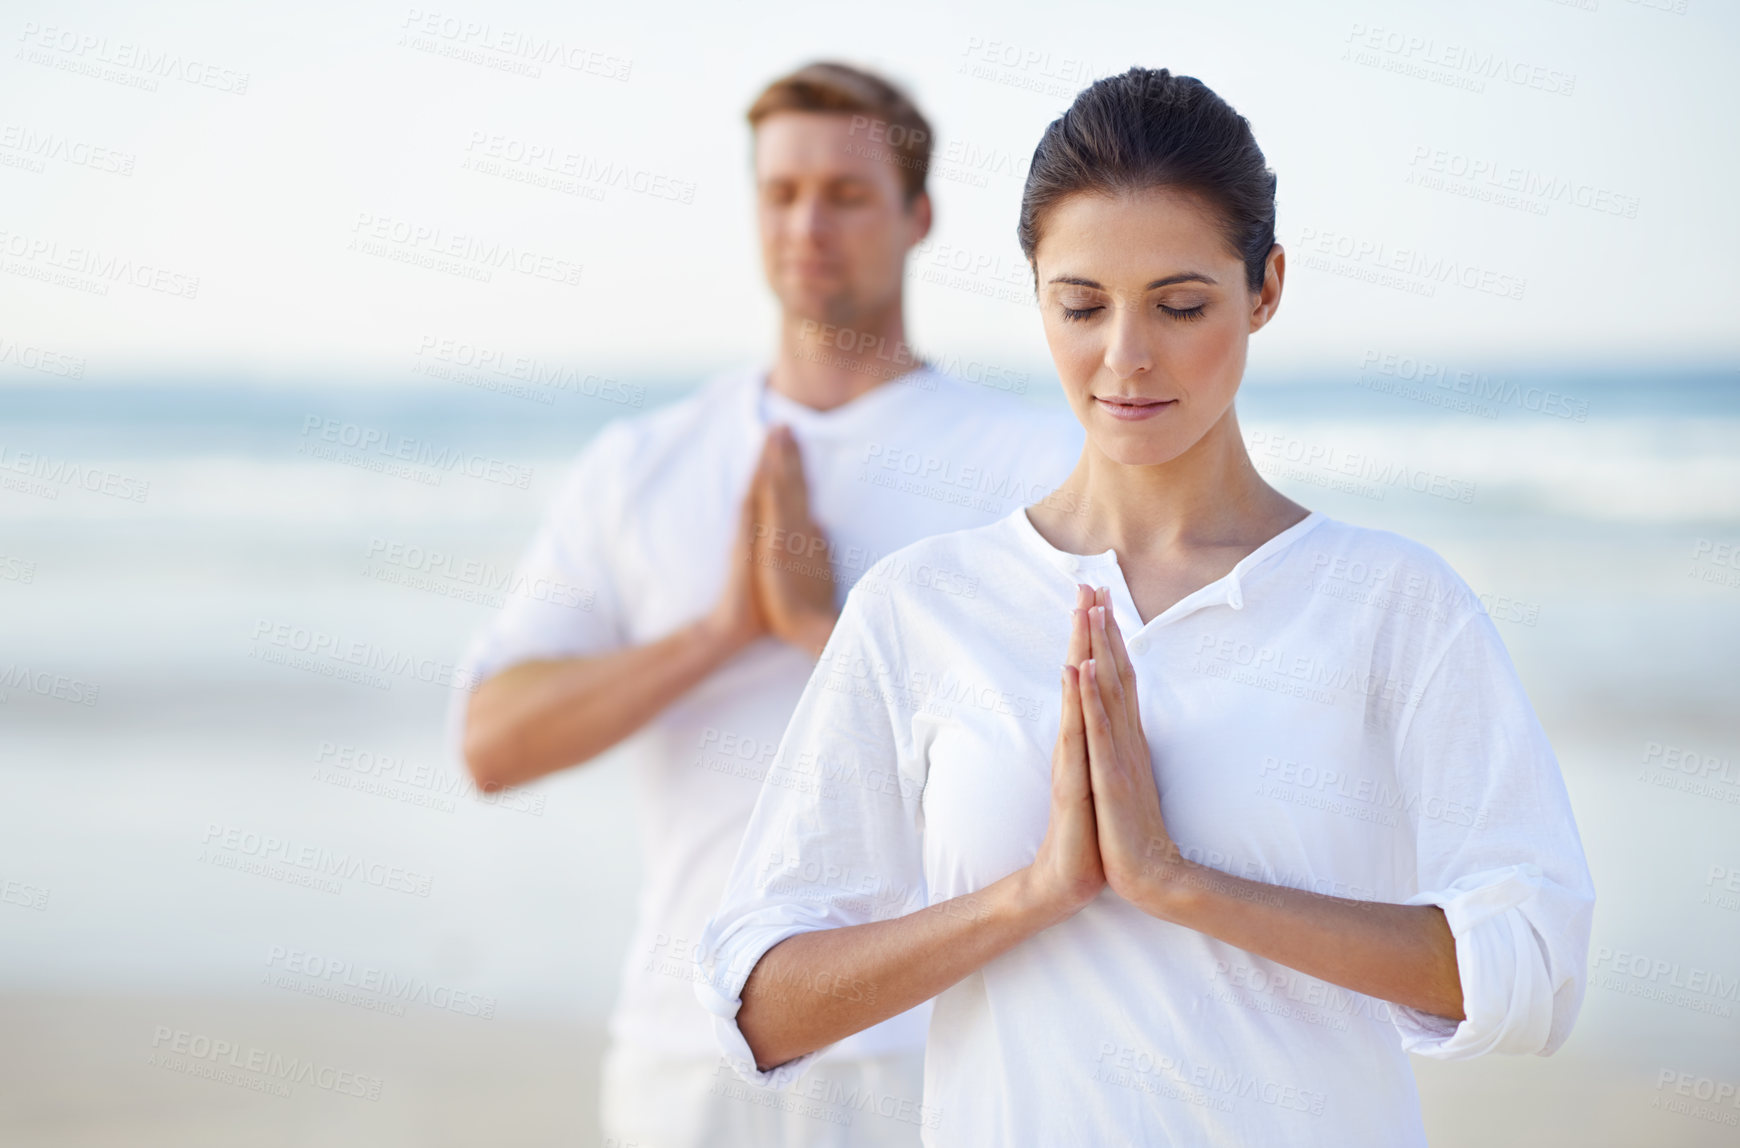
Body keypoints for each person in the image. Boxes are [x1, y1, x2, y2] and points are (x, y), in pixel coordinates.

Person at [696, 66, 1595, 1146]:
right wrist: (1031, 893)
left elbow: (1534, 967)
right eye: (1082, 305)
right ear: (1036, 295)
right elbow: (760, 999)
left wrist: (1179, 883)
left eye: (1180, 305)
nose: (1125, 357)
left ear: (1264, 287)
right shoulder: (922, 607)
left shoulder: (1392, 603)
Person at [452, 62, 1084, 1148]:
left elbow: (1067, 761)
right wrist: (719, 630)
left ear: (917, 216)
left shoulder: (1030, 463)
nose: (808, 222)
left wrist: (816, 630)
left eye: (846, 193)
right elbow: (492, 742)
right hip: (683, 1050)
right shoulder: (642, 464)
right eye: (781, 192)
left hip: (941, 1046)